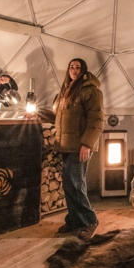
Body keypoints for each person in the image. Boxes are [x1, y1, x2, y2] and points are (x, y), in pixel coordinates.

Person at [53, 58, 104, 239]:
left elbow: (96, 120)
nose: (74, 70)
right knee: (70, 184)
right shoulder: (66, 91)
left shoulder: (91, 91)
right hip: (66, 145)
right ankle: (74, 220)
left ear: (83, 71)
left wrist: (87, 144)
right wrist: (36, 114)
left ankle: (89, 221)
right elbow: (58, 116)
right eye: (71, 67)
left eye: (78, 67)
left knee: (75, 184)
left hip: (79, 146)